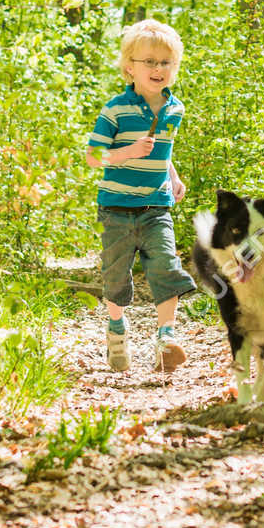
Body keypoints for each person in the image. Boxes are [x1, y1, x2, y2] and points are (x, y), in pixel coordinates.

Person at [83, 20, 198, 370]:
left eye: (165, 62)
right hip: (116, 208)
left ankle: (167, 339)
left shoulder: (173, 109)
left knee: (166, 265)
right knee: (116, 275)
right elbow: (93, 156)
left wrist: (173, 176)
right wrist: (128, 152)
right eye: (149, 62)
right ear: (129, 66)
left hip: (156, 206)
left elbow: (163, 150)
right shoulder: (115, 109)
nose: (158, 69)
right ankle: (116, 330)